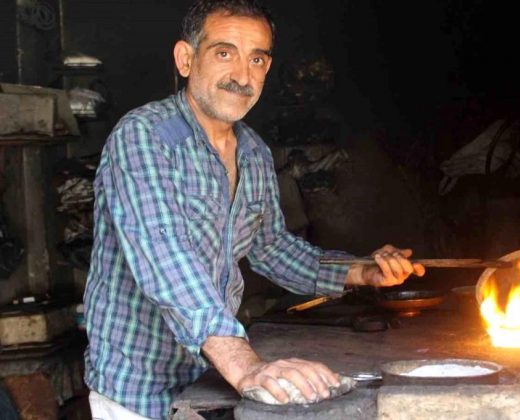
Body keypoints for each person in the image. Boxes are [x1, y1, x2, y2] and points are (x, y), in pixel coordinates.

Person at [83, 1, 425, 418]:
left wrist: (360, 271)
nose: (242, 77)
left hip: (208, 381)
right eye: (224, 53)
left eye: (257, 59)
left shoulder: (254, 152)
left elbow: (271, 248)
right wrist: (245, 365)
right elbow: (164, 256)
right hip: (137, 390)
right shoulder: (144, 137)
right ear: (186, 59)